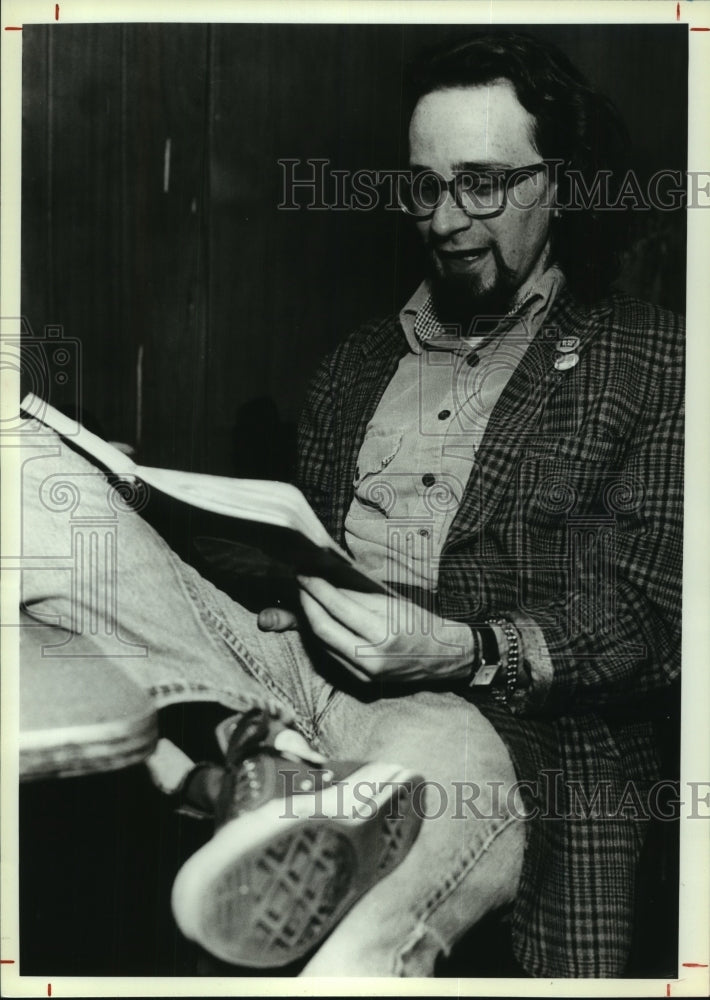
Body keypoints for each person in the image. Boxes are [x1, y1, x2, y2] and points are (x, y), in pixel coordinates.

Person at [20, 31, 683, 978]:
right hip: (292, 674)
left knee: (355, 954)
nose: (447, 219)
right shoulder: (355, 365)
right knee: (26, 472)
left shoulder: (656, 361)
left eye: (482, 183)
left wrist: (464, 647)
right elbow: (304, 554)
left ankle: (251, 787)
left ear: (562, 183)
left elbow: (661, 616)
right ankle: (276, 756)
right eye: (425, 186)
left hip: (467, 713)